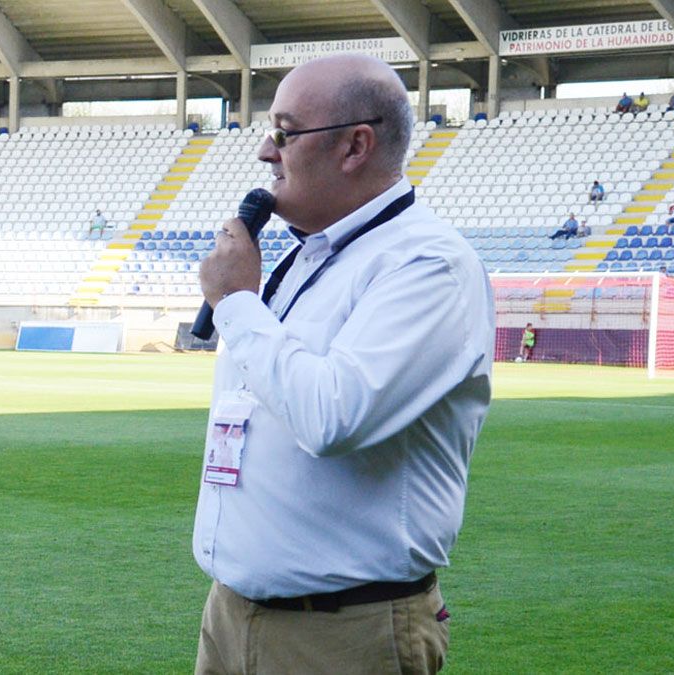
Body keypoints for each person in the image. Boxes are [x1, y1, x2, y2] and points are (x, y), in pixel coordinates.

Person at [194, 54, 493, 674]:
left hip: (344, 633)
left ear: (356, 146)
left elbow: (332, 416)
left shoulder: (428, 264)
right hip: (231, 613)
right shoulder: (311, 254)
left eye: (284, 131)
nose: (264, 152)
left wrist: (238, 303)